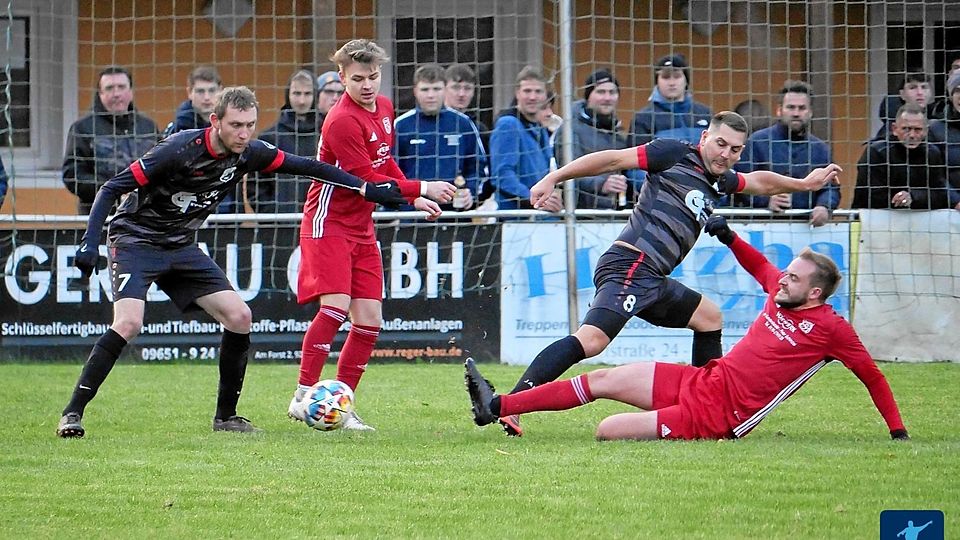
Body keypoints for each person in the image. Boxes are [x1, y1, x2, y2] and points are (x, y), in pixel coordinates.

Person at [55, 86, 409, 439]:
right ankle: (72, 413)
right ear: (215, 121)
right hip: (137, 240)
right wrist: (90, 241)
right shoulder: (179, 149)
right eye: (236, 125)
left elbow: (309, 167)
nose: (243, 134)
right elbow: (111, 188)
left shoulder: (249, 153)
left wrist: (366, 189)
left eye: (250, 125)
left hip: (180, 245)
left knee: (240, 317)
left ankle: (226, 417)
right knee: (130, 323)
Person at [497, 111, 842, 437]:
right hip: (630, 265)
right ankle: (512, 403)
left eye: (735, 149)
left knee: (709, 317)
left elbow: (759, 183)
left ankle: (703, 401)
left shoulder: (718, 180)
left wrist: (803, 183)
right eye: (720, 144)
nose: (726, 154)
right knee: (593, 341)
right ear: (705, 137)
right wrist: (554, 177)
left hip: (652, 277)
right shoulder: (672, 153)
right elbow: (613, 159)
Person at [464, 214, 909, 442]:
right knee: (601, 378)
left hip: (721, 415)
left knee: (606, 431)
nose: (782, 279)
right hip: (705, 380)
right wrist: (728, 235)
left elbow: (872, 376)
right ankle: (499, 405)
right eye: (787, 273)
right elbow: (759, 265)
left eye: (794, 278)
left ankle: (668, 426)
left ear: (815, 294)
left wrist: (897, 430)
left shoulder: (832, 330)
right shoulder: (780, 291)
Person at [290, 39, 455, 431]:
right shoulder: (341, 120)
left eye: (374, 77)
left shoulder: (383, 108)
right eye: (358, 78)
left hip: (361, 225)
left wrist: (410, 198)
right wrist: (421, 189)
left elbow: (384, 163)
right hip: (327, 221)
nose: (368, 85)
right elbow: (364, 181)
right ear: (342, 77)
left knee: (369, 320)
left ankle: (340, 406)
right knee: (334, 307)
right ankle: (303, 395)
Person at [733, 80, 839, 226]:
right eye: (791, 107)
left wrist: (824, 206)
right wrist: (766, 201)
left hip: (807, 229)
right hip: (760, 227)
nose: (796, 113)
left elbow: (831, 188)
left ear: (811, 112)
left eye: (802, 108)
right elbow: (739, 184)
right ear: (779, 110)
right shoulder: (757, 142)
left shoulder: (820, 149)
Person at [62, 66, 159, 214]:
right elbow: (72, 176)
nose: (116, 94)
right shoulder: (82, 128)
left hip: (145, 216)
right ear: (100, 94)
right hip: (99, 217)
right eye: (109, 88)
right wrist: (114, 190)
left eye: (121, 87)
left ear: (131, 92)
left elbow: (162, 168)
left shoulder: (148, 127)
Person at [394, 63, 486, 211]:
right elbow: (390, 170)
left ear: (445, 90)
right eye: (425, 89)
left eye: (436, 89)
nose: (431, 95)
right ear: (415, 91)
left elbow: (478, 166)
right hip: (413, 214)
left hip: (454, 213)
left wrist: (471, 191)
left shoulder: (462, 123)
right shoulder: (401, 125)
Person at [567, 69, 645, 209]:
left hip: (616, 214)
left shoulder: (619, 136)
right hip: (582, 216)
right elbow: (566, 173)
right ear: (588, 96)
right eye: (601, 92)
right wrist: (602, 184)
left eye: (612, 92)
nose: (607, 98)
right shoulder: (570, 130)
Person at [488, 66, 563, 212]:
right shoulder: (508, 124)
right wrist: (534, 198)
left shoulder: (540, 129)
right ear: (517, 93)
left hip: (537, 215)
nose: (533, 97)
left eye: (538, 91)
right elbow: (502, 176)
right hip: (515, 218)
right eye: (527, 91)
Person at [853, 103, 950, 210]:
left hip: (920, 220)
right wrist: (901, 198)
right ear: (894, 129)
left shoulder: (932, 153)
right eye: (906, 129)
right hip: (875, 219)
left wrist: (913, 196)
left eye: (917, 129)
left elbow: (940, 195)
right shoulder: (877, 152)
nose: (912, 135)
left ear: (926, 131)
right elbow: (867, 196)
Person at [248, 69, 320, 213]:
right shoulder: (270, 137)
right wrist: (272, 213)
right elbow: (255, 185)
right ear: (288, 95)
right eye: (296, 93)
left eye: (307, 94)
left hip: (320, 221)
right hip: (280, 225)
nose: (301, 101)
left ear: (315, 95)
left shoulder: (326, 134)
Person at [630, 54, 712, 146]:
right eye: (666, 77)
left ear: (686, 80)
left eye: (677, 76)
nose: (672, 83)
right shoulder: (644, 118)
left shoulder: (705, 113)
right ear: (657, 81)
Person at [872, 73, 940, 143]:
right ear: (902, 94)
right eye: (912, 88)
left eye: (924, 87)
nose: (920, 92)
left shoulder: (938, 118)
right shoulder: (892, 126)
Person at [927, 69, 960, 209]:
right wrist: (956, 201)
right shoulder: (935, 128)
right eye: (957, 90)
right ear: (951, 95)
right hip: (947, 209)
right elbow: (934, 174)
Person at [162, 65, 222, 137]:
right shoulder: (178, 128)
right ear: (189, 92)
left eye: (212, 91)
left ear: (220, 90)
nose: (207, 97)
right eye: (200, 91)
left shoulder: (229, 121)